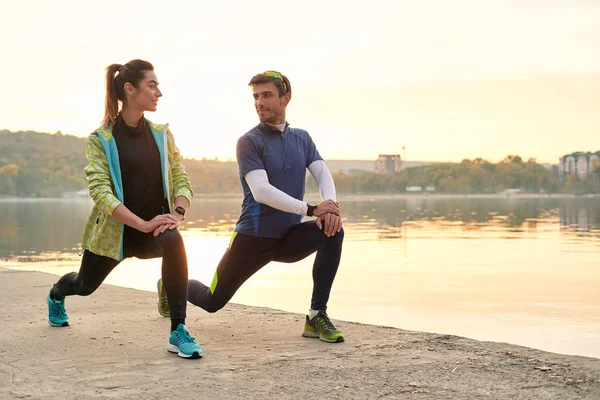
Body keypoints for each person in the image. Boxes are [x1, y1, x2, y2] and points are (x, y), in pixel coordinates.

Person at [158, 71, 345, 343]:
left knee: (333, 232)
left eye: (267, 95)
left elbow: (322, 175)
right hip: (252, 239)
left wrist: (330, 211)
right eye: (256, 97)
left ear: (286, 98)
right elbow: (261, 191)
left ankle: (317, 315)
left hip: (288, 237)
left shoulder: (302, 138)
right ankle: (170, 284)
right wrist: (312, 209)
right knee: (212, 301)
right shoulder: (249, 141)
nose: (260, 102)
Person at [46, 59, 202, 359]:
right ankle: (55, 294)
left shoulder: (162, 135)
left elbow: (181, 176)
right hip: (115, 235)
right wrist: (140, 224)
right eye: (152, 85)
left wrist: (178, 213)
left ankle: (178, 330)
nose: (159, 92)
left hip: (154, 228)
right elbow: (101, 192)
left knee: (174, 241)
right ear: (130, 90)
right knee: (84, 285)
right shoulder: (101, 139)